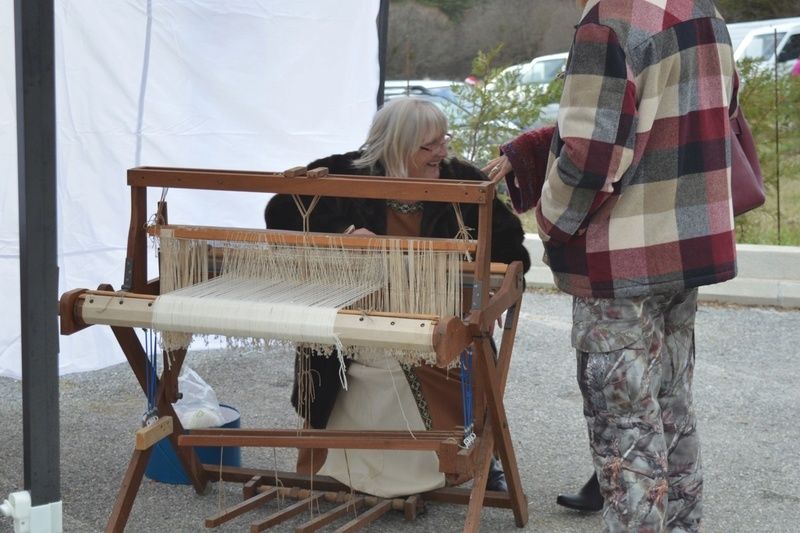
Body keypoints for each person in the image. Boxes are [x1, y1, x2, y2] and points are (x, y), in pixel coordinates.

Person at [485, 0, 738, 530]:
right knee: (672, 410)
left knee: (625, 431)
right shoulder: (701, 9)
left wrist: (550, 221)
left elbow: (590, 156)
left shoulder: (608, 22)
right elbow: (724, 109)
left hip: (619, 259)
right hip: (686, 243)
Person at [265, 96, 531, 497]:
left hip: (440, 315)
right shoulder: (346, 173)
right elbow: (281, 210)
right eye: (429, 145)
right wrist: (344, 233)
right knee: (351, 356)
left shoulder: (462, 179)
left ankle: (471, 457)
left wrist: (493, 297)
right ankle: (347, 470)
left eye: (444, 140)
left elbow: (512, 247)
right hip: (361, 312)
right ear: (395, 145)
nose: (441, 152)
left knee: (455, 353)